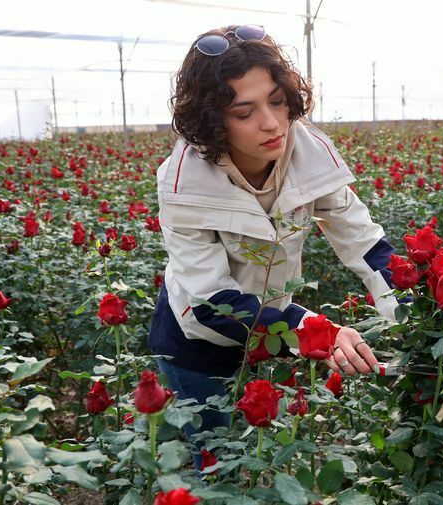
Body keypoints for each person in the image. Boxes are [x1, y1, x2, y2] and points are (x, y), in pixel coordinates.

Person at [147, 25, 402, 469]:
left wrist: (418, 317)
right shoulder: (183, 184)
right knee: (221, 468)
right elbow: (213, 304)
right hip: (199, 344)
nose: (272, 123)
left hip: (273, 330)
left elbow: (365, 243)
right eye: (244, 112)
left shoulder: (307, 152)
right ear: (212, 120)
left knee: (262, 461)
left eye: (278, 101)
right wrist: (317, 332)